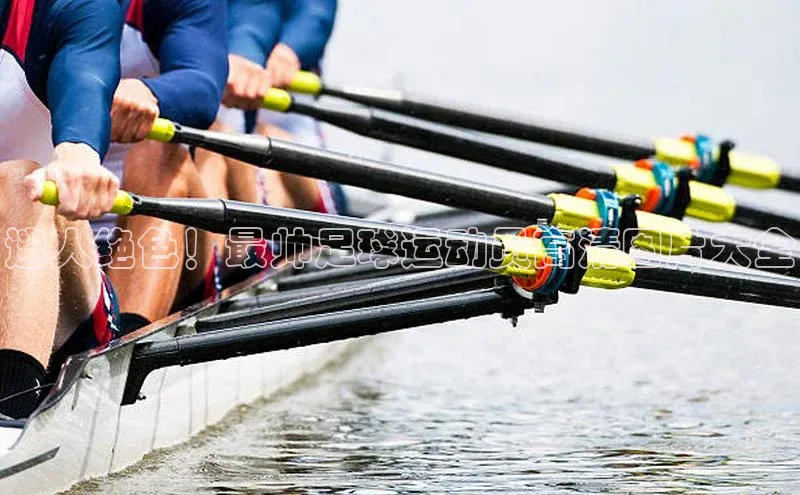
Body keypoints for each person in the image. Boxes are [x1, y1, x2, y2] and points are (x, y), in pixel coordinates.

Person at [0, 0, 123, 419]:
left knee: (23, 181)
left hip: (64, 291)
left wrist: (78, 153)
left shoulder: (73, 6)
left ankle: (10, 407)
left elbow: (85, 75)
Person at [91, 0, 229, 335]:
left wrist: (149, 91)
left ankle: (126, 337)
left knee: (159, 151)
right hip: (54, 228)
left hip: (156, 229)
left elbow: (203, 87)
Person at [195, 0, 344, 272]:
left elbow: (316, 16)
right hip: (232, 157)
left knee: (257, 138)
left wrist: (287, 53)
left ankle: (247, 252)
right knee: (213, 142)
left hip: (302, 167)